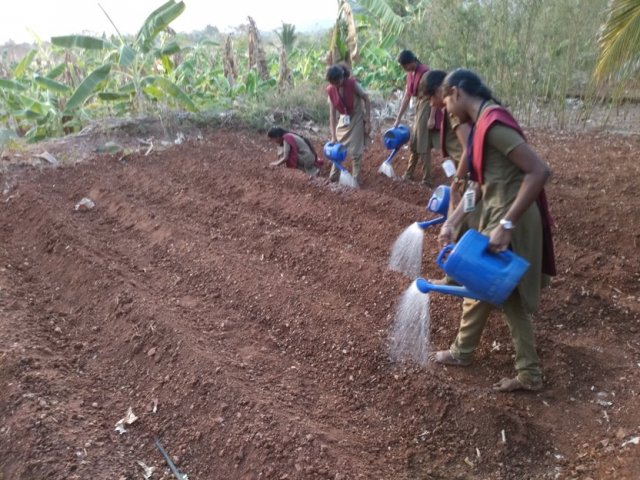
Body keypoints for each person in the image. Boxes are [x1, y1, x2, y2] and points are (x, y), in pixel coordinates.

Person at [430, 68, 556, 393]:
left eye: (445, 101)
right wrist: (453, 220)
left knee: (489, 286)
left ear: (456, 92)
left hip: (509, 222)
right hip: (496, 217)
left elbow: (539, 171)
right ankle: (524, 372)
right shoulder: (480, 127)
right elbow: (480, 187)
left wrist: (507, 224)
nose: (445, 109)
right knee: (495, 290)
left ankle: (470, 355)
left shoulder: (494, 123)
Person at [393, 50, 441, 186]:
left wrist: (432, 117)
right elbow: (407, 97)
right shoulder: (410, 74)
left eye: (405, 66)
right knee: (414, 142)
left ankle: (427, 179)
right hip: (419, 107)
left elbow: (434, 95)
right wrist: (398, 119)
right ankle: (409, 174)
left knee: (423, 143)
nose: (404, 69)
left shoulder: (426, 73)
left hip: (427, 105)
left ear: (411, 62)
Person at [326, 64, 371, 185]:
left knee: (356, 151)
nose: (336, 85)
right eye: (333, 83)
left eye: (338, 81)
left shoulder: (352, 84)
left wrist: (367, 119)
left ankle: (355, 180)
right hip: (343, 119)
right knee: (337, 148)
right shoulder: (331, 90)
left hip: (356, 117)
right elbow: (332, 113)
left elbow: (366, 98)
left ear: (342, 77)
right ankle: (333, 177)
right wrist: (333, 135)